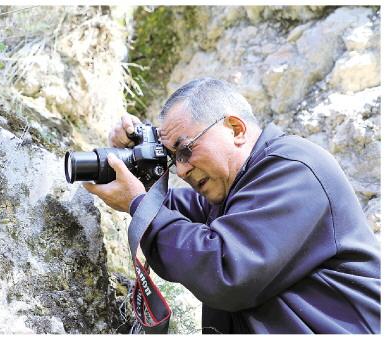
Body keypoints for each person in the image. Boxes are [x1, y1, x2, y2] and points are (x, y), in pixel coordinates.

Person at [83, 78, 380, 334]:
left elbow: (225, 269)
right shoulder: (235, 190)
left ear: (236, 129)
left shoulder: (294, 168)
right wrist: (137, 173)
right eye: (174, 159)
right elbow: (177, 213)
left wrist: (139, 203)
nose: (182, 171)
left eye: (186, 150)